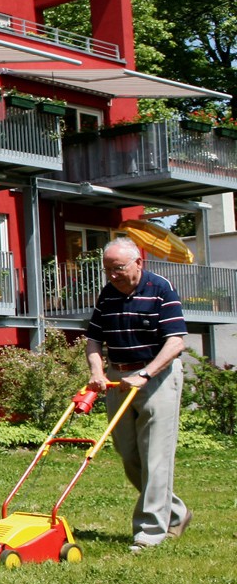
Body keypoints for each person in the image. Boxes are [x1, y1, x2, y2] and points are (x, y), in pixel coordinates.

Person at [85, 236, 190, 553]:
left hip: (156, 376)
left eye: (118, 268)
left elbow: (176, 342)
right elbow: (93, 340)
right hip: (118, 378)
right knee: (129, 455)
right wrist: (97, 371)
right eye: (107, 270)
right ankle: (177, 512)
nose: (112, 275)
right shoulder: (108, 295)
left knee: (155, 457)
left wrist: (146, 374)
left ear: (138, 263)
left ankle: (150, 532)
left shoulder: (160, 289)